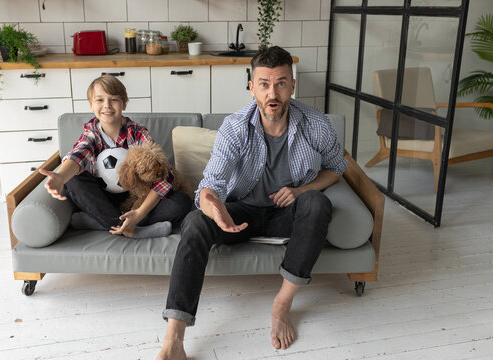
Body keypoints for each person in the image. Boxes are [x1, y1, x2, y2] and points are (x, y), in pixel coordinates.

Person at [156, 46, 347, 359]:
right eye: (264, 84)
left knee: (316, 202)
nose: (273, 93)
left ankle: (281, 306)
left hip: (286, 213)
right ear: (252, 87)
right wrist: (212, 205)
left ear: (293, 85)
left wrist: (301, 192)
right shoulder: (235, 127)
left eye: (281, 83)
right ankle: (174, 337)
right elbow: (210, 184)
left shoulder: (316, 123)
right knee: (193, 221)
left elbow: (337, 167)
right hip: (239, 213)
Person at [39, 75, 192, 238]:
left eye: (114, 100)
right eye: (99, 100)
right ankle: (127, 227)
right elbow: (78, 154)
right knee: (74, 180)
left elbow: (164, 175)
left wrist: (139, 213)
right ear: (91, 105)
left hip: (136, 196)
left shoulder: (138, 133)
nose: (107, 106)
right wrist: (61, 176)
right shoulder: (92, 134)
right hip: (103, 198)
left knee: (182, 201)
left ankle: (100, 222)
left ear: (124, 103)